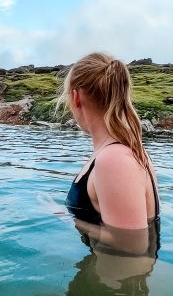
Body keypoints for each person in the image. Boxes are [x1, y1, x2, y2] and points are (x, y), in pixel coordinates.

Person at [59, 52, 160, 257]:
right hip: (114, 278)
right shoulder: (117, 152)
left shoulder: (114, 159)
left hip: (118, 285)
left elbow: (132, 245)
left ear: (76, 96)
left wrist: (62, 216)